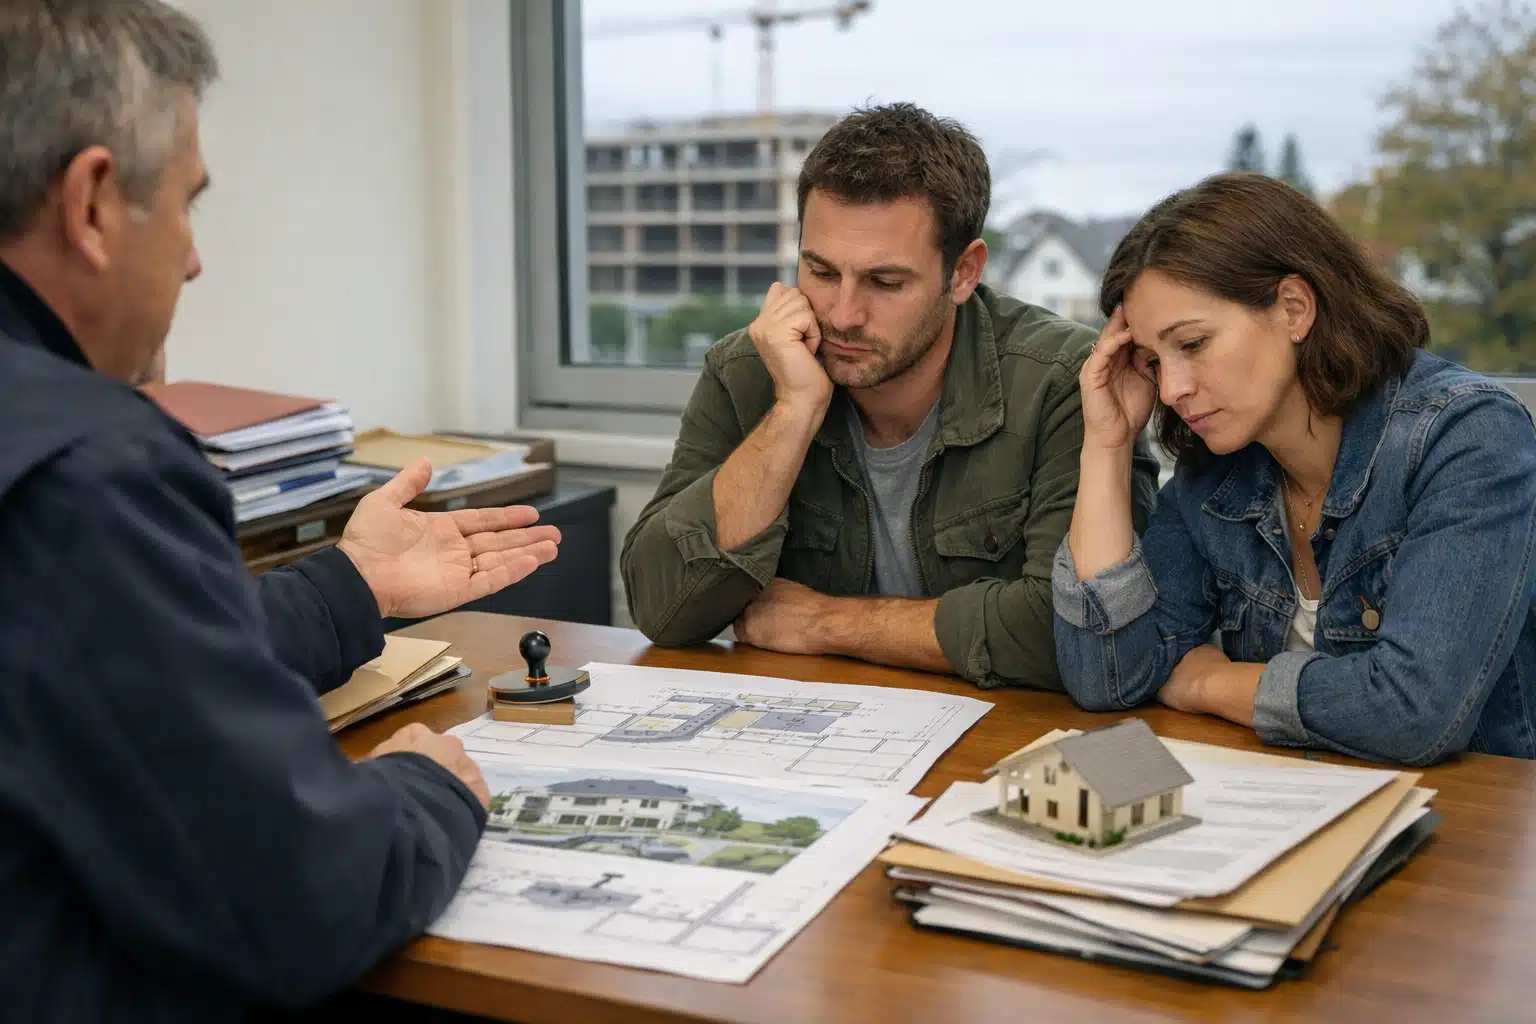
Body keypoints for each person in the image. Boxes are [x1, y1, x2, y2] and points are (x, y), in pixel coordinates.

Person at [0, 2, 562, 1019]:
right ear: (91, 205)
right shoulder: (86, 466)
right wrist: (427, 789)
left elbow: (111, 656)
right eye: (186, 205)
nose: (194, 259)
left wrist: (354, 586)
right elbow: (297, 900)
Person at [621, 102, 1160, 690]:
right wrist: (793, 412)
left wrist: (826, 623)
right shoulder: (751, 369)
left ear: (964, 272)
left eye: (885, 282)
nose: (843, 315)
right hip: (815, 722)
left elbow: (1073, 635)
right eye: (821, 272)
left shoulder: (1066, 382)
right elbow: (663, 610)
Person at [1053, 172, 1536, 766]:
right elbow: (1106, 676)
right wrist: (1106, 445)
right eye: (1153, 361)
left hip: (1469, 813)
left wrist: (1210, 683)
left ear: (1294, 308)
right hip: (1288, 798)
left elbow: (1414, 712)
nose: (1172, 389)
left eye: (1194, 344)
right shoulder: (1215, 473)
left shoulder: (1467, 436)